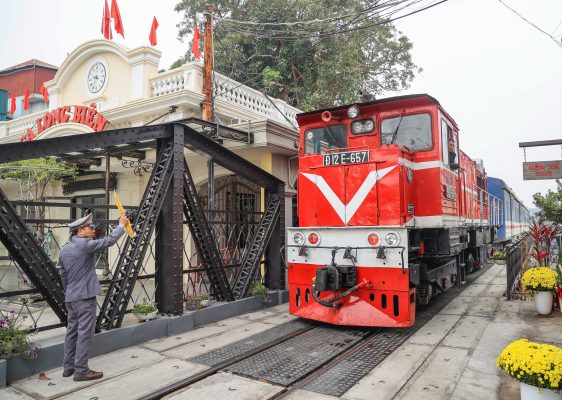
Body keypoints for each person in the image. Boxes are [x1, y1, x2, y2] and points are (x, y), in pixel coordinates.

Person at [59, 213, 128, 381]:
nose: (93, 230)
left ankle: (68, 367)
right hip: (85, 298)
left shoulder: (65, 248)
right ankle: (81, 370)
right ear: (80, 230)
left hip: (71, 297)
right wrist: (121, 225)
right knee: (85, 334)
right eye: (90, 227)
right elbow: (109, 241)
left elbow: (63, 275)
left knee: (72, 332)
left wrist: (70, 291)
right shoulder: (85, 245)